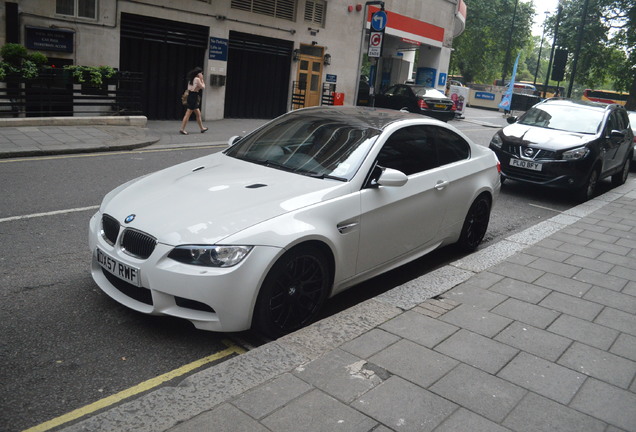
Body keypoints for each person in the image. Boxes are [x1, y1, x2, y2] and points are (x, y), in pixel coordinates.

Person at [180, 67, 208, 135]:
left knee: (198, 114)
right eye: (201, 73)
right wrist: (202, 79)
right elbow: (203, 87)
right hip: (193, 97)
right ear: (198, 73)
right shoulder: (197, 79)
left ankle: (202, 128)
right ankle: (182, 129)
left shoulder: (191, 79)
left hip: (191, 95)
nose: (202, 74)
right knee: (188, 113)